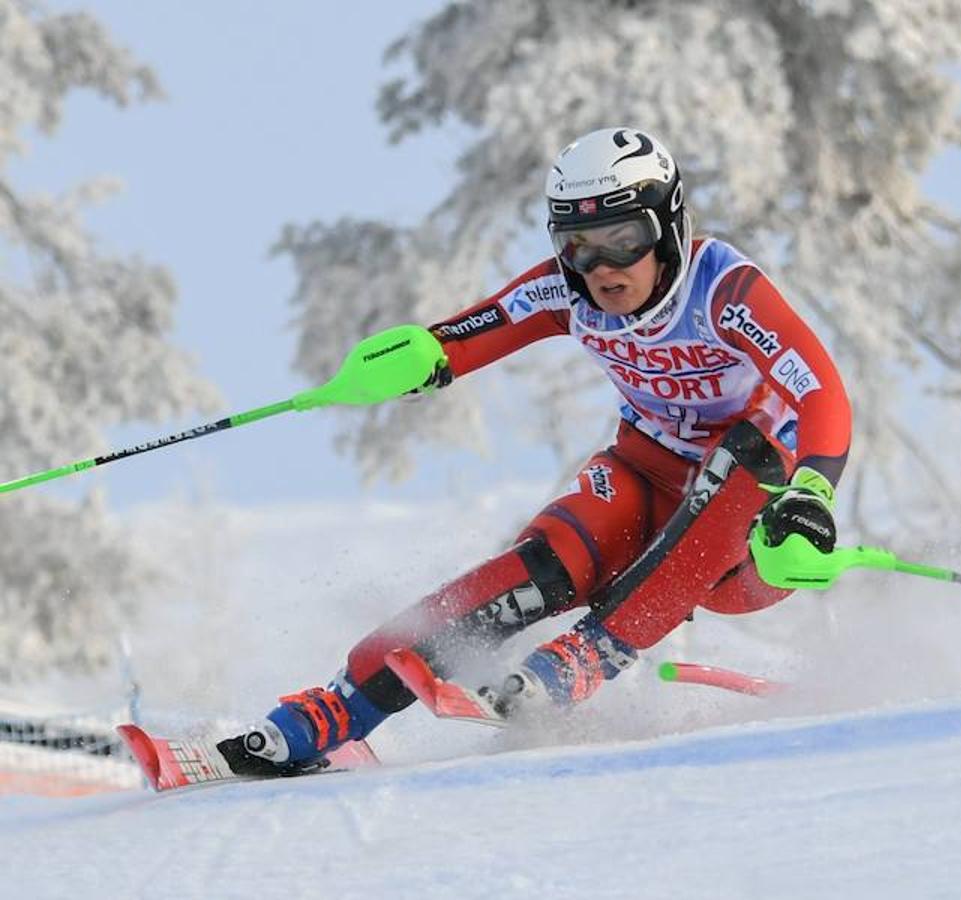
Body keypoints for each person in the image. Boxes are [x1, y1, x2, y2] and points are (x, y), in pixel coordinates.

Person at [217, 127, 852, 775]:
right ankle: (340, 707)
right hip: (649, 477)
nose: (603, 269)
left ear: (668, 226)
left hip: (751, 536)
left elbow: (820, 388)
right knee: (544, 565)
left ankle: (588, 655)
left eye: (625, 239)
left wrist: (813, 493)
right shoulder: (567, 290)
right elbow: (470, 333)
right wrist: (419, 356)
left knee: (751, 449)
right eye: (579, 246)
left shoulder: (723, 290)